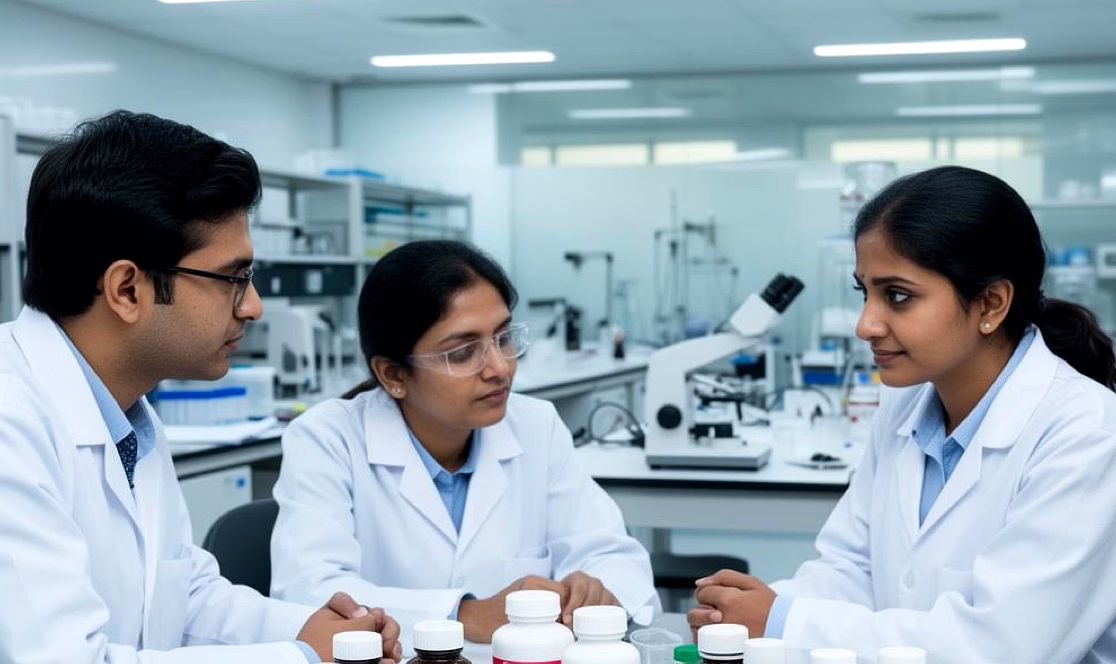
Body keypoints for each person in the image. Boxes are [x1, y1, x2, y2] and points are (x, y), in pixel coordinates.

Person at [0, 110, 401, 664]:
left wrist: (314, 630)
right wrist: (304, 657)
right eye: (234, 279)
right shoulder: (11, 420)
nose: (254, 306)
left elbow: (184, 601)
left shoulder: (127, 413)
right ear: (127, 289)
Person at [688, 166, 1116, 662]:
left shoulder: (1087, 434)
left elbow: (1002, 646)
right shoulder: (904, 404)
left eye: (897, 296)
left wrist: (783, 620)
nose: (865, 324)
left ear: (991, 304)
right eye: (864, 292)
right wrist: (747, 613)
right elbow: (852, 569)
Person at [270, 240, 659, 643]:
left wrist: (594, 592)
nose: (499, 368)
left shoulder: (536, 426)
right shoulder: (328, 440)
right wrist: (464, 615)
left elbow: (614, 557)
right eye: (461, 353)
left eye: (503, 338)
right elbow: (308, 591)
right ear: (394, 375)